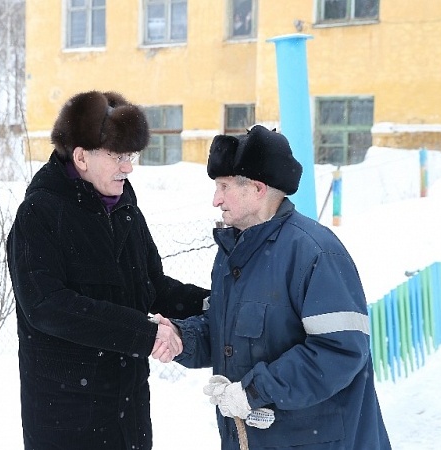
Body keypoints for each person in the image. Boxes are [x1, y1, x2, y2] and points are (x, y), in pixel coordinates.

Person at [164, 125, 391, 449]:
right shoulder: (233, 253)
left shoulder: (314, 252)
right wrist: (180, 339)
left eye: (224, 187)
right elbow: (227, 334)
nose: (216, 200)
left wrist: (254, 391)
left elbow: (339, 351)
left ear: (257, 189)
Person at [6, 90, 209, 449]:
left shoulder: (125, 208)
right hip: (67, 419)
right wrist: (144, 334)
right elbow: (48, 306)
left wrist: (212, 302)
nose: (128, 167)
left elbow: (152, 287)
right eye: (117, 156)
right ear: (81, 156)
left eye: (130, 156)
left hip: (128, 411)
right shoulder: (39, 214)